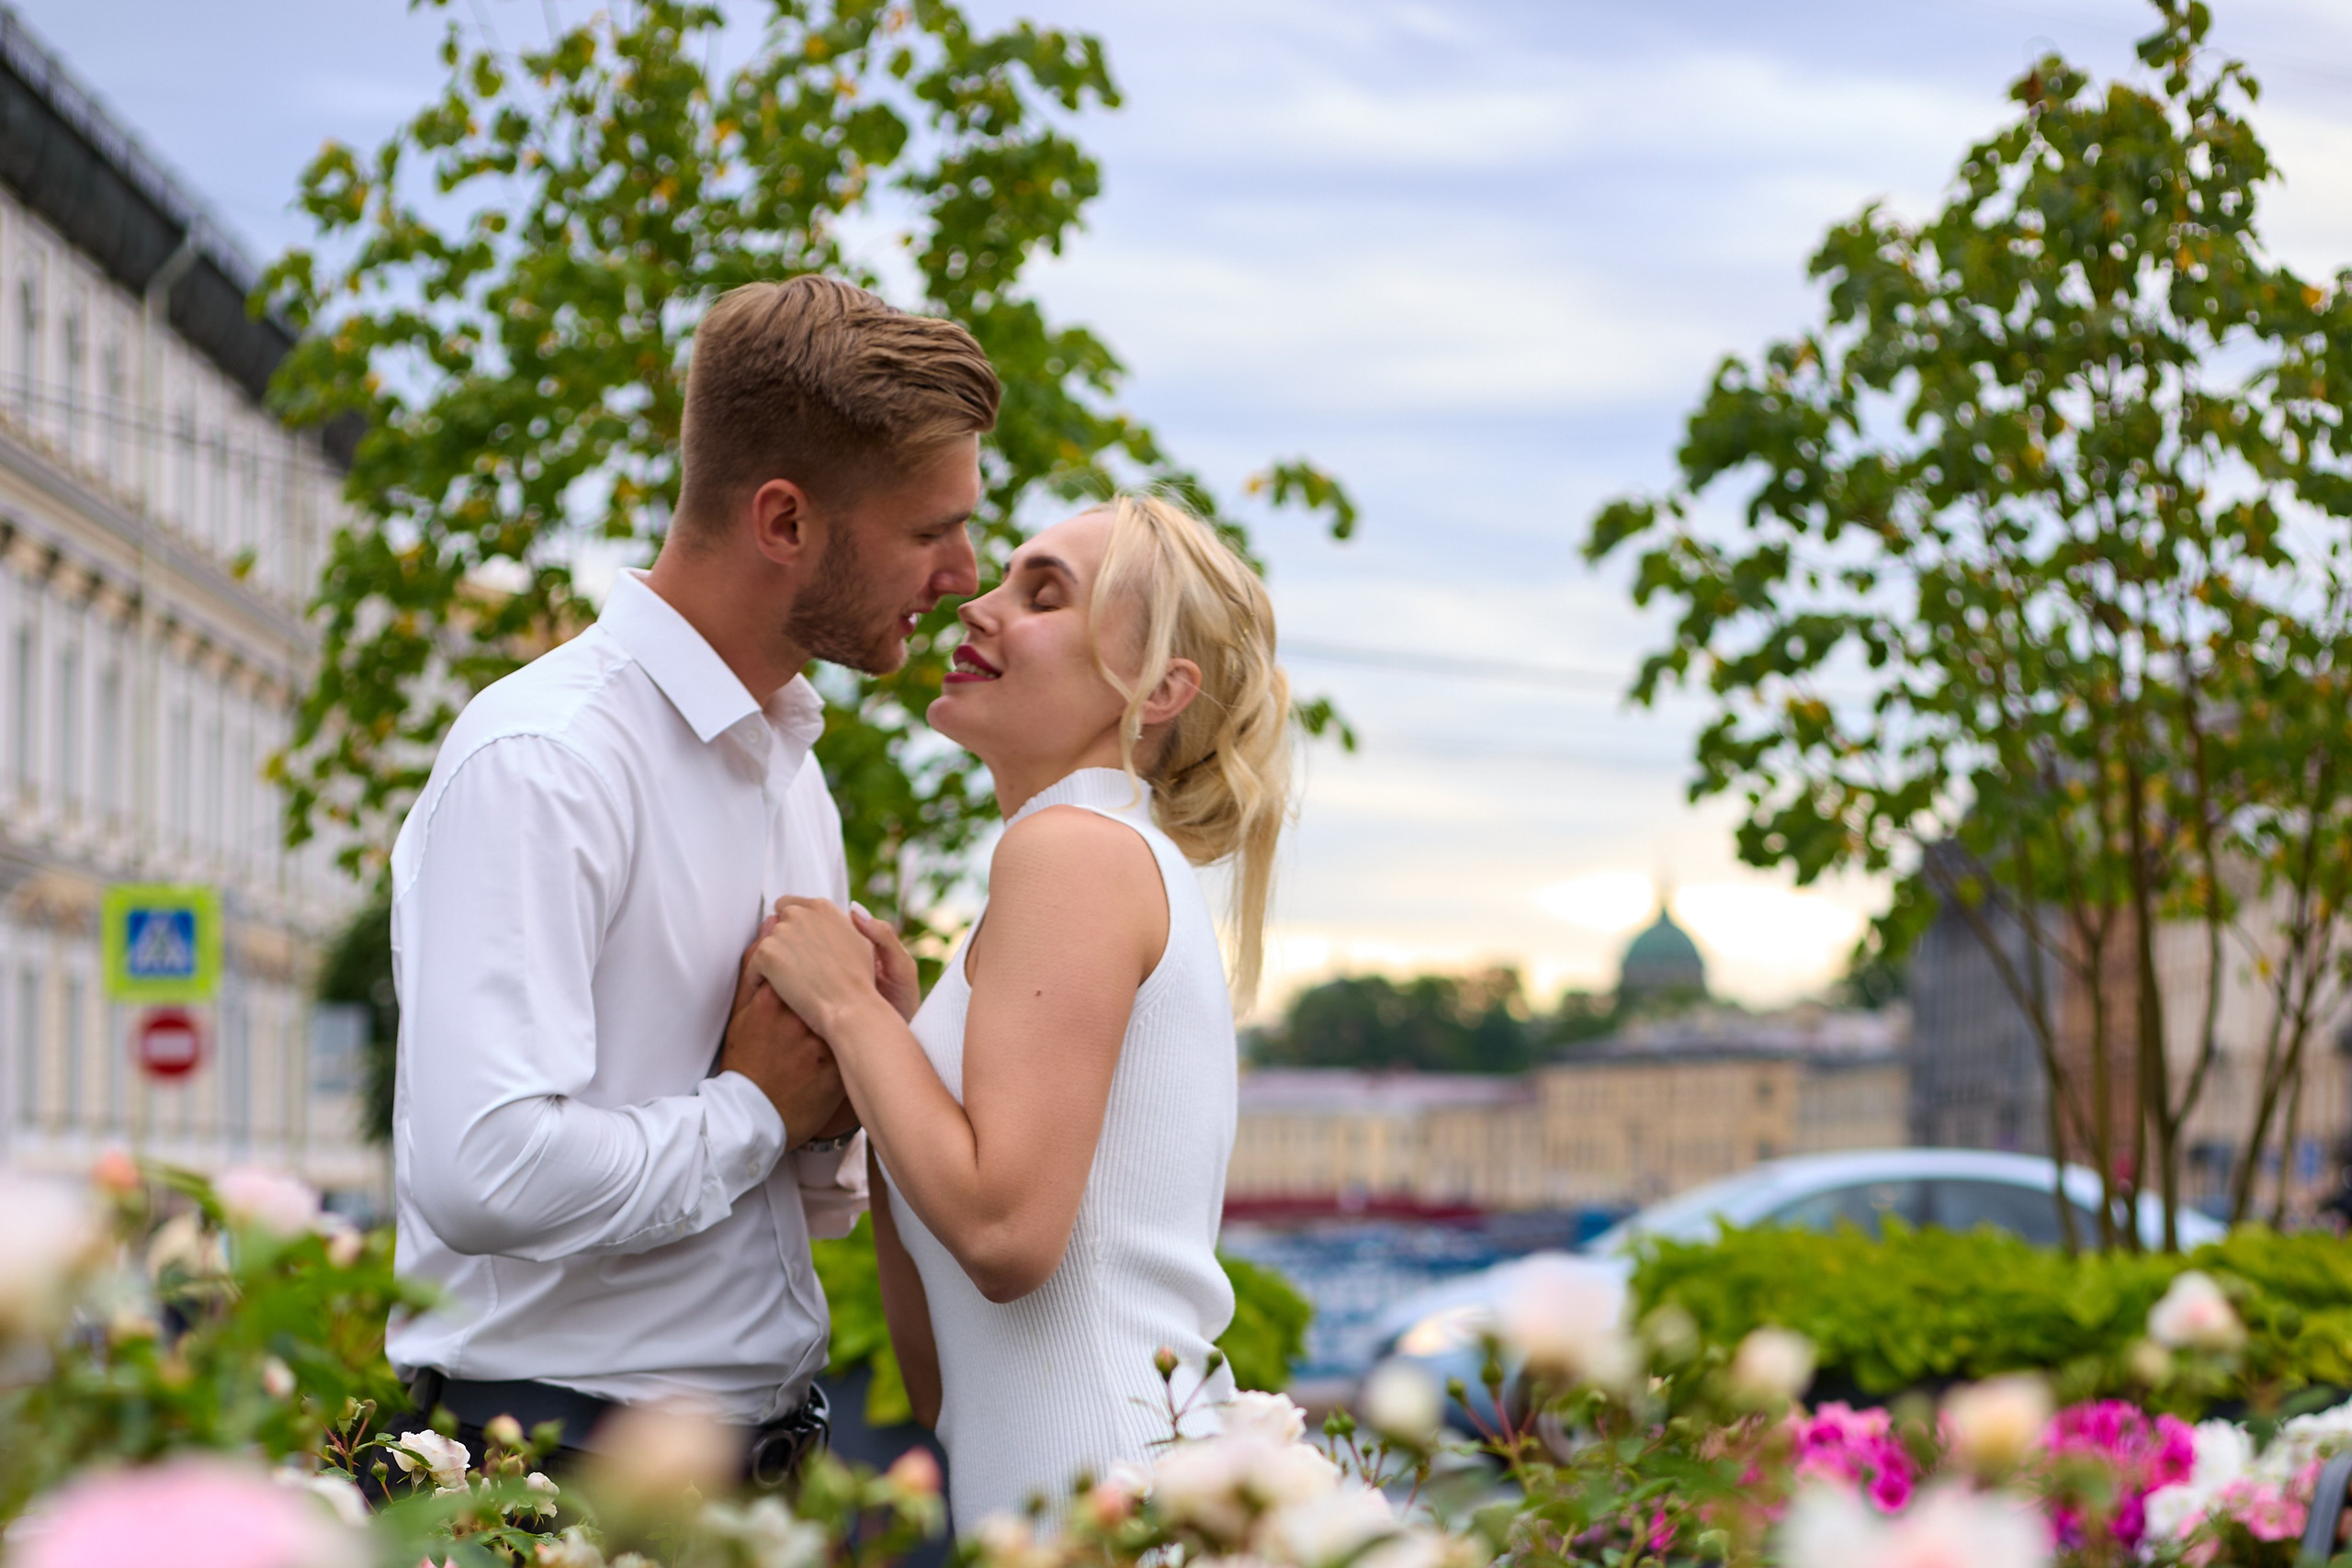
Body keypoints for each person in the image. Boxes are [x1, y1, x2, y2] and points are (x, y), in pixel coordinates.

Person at [384, 276, 1000, 1480]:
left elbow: (779, 1207)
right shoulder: (546, 759)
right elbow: (483, 1168)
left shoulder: (790, 766)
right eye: (931, 530)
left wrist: (845, 1081)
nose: (963, 571)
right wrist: (758, 1106)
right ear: (785, 521)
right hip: (552, 1474)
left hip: (755, 1469)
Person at [750, 492, 1291, 1528]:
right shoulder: (1075, 869)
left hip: (1103, 1500)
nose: (976, 607)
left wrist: (846, 1014)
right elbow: (941, 1377)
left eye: (1042, 596)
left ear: (1156, 687)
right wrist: (897, 1052)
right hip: (1065, 1505)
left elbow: (1004, 1235)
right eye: (999, 579)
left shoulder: (1074, 851)